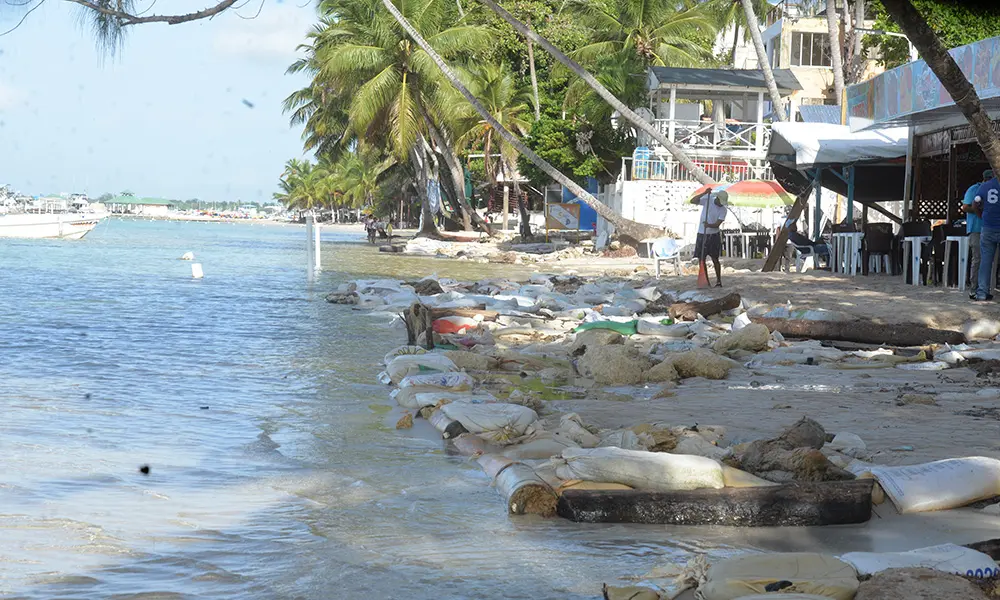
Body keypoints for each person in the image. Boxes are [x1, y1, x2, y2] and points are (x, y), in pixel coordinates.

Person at [690, 188, 728, 287]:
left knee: (715, 258)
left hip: (713, 235)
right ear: (717, 198)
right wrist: (704, 193)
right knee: (701, 259)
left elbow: (717, 224)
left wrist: (709, 225)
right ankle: (705, 281)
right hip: (702, 234)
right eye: (720, 202)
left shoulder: (723, 209)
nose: (721, 204)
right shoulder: (708, 199)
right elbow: (693, 201)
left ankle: (719, 281)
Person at [973, 170, 1000, 301]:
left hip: (988, 227)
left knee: (985, 262)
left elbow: (975, 204)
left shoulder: (985, 186)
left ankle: (982, 292)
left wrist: (982, 217)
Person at [964, 170, 990, 295]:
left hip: (991, 228)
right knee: (978, 258)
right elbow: (965, 207)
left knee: (990, 260)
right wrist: (981, 210)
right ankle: (974, 289)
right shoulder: (974, 189)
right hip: (976, 229)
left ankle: (986, 288)